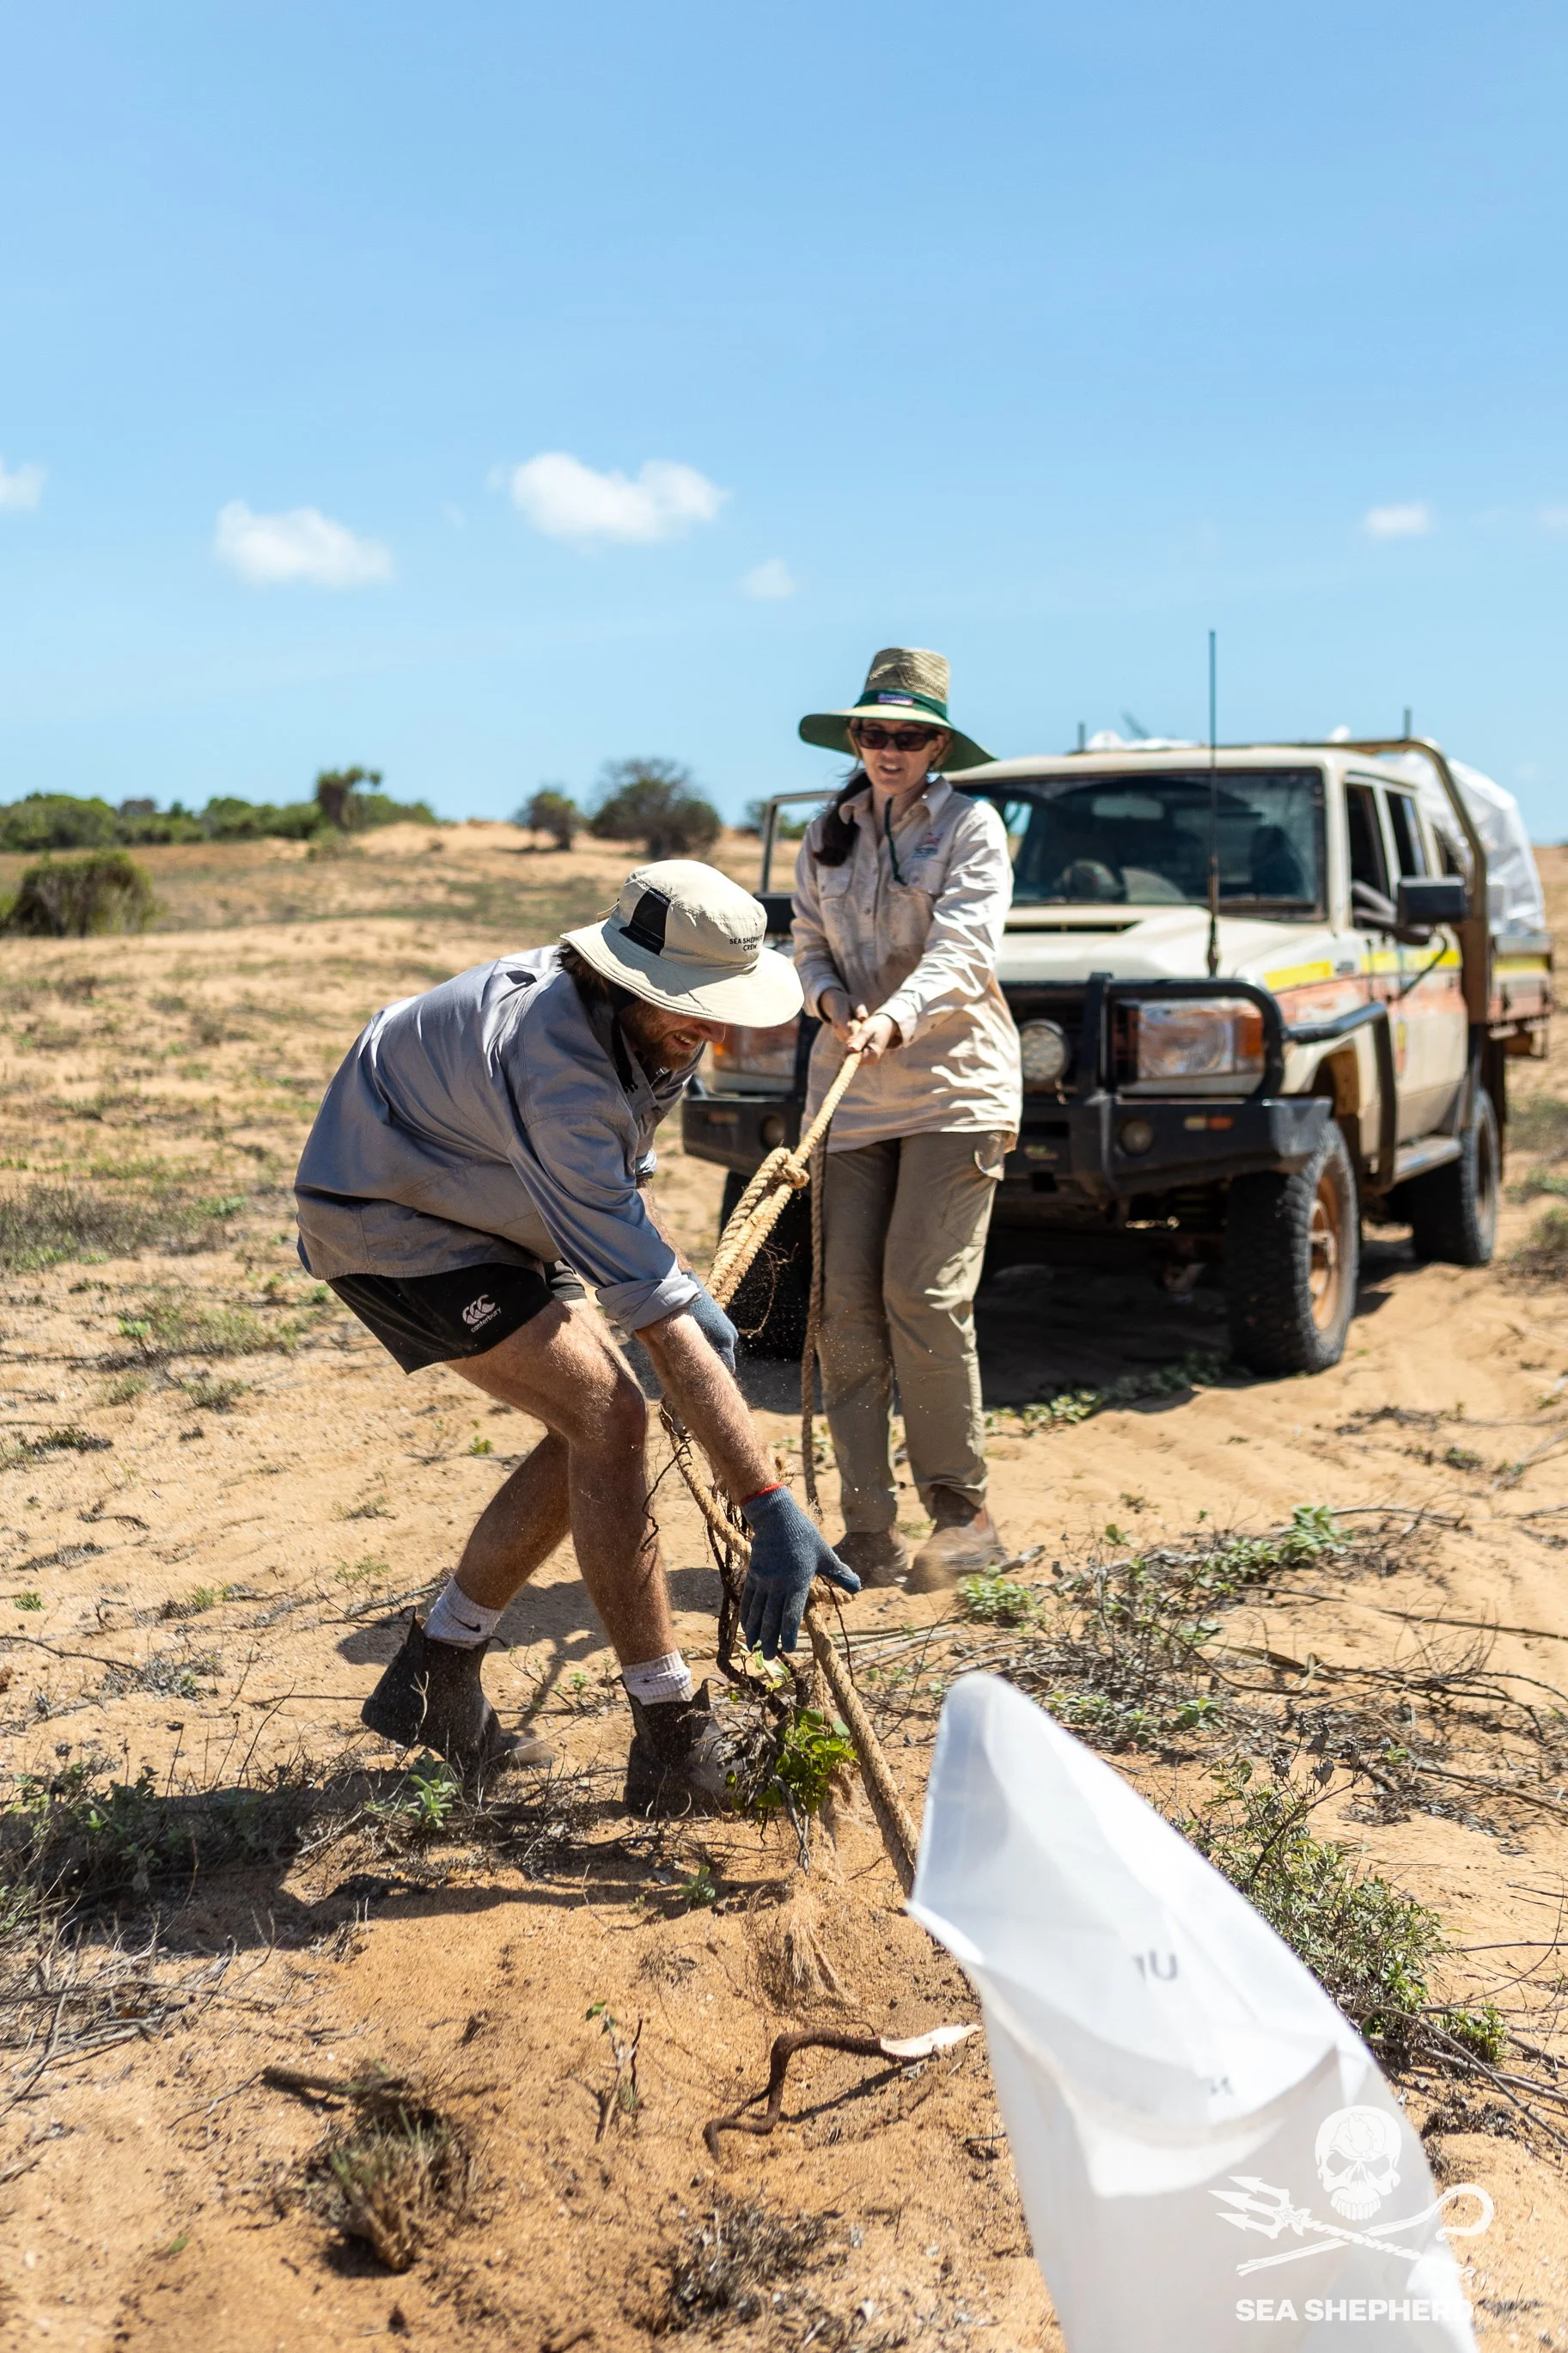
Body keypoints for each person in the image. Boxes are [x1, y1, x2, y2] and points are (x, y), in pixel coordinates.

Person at [294, 859, 859, 1812]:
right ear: (624, 978)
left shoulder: (645, 1031)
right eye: (692, 1004)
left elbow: (616, 1208)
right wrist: (764, 1499)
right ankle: (671, 1732)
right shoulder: (558, 1071)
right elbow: (638, 1288)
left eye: (722, 1005)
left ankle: (436, 1669)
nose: (712, 1030)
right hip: (390, 1214)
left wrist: (671, 1290)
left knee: (597, 1417)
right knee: (611, 1417)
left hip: (491, 1194)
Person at [793, 647, 1022, 1592]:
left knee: (921, 1293)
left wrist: (899, 1013)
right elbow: (804, 942)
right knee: (843, 1305)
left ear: (937, 744)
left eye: (909, 735)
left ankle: (962, 1517)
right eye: (874, 732)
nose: (890, 748)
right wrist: (830, 1002)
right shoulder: (825, 832)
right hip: (850, 1095)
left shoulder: (972, 826)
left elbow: (968, 946)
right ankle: (867, 1532)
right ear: (856, 738)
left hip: (954, 1087)